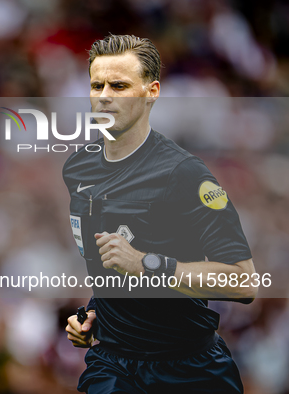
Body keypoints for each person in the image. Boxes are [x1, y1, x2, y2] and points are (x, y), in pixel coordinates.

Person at [63, 34, 257, 394]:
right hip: (112, 364)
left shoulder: (185, 174)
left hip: (190, 369)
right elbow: (109, 263)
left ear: (151, 92)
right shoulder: (79, 167)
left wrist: (146, 264)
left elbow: (243, 281)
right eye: (96, 84)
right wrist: (95, 313)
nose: (104, 95)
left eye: (119, 85)